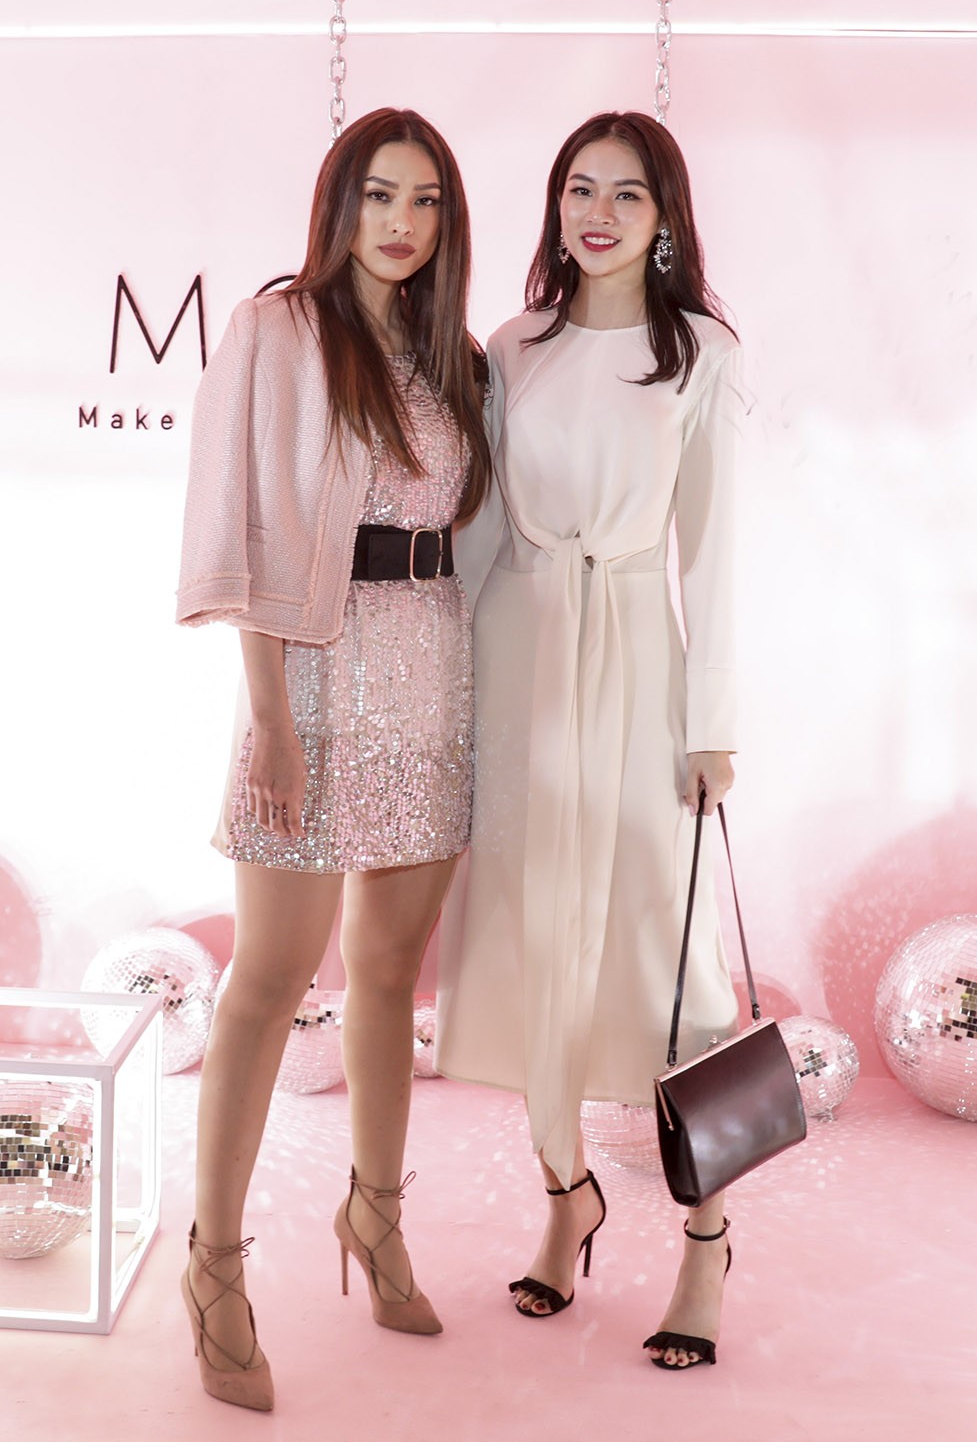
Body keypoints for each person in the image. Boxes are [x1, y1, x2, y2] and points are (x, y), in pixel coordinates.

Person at [175, 107, 490, 1410]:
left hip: (432, 674)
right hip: (311, 673)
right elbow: (246, 522)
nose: (401, 224)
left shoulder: (456, 356)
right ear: (338, 204)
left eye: (425, 201)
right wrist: (270, 713)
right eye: (380, 196)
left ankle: (376, 1214)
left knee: (389, 980)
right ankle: (214, 1268)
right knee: (266, 981)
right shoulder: (277, 330)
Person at [438, 111, 743, 1370]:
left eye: (626, 192)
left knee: (662, 956)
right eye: (579, 188)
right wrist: (442, 692)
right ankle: (565, 1194)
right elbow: (475, 533)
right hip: (519, 655)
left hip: (635, 655)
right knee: (527, 939)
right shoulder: (514, 346)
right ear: (555, 206)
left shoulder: (700, 354)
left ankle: (705, 1239)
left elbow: (713, 551)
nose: (598, 212)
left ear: (665, 217)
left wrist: (711, 725)